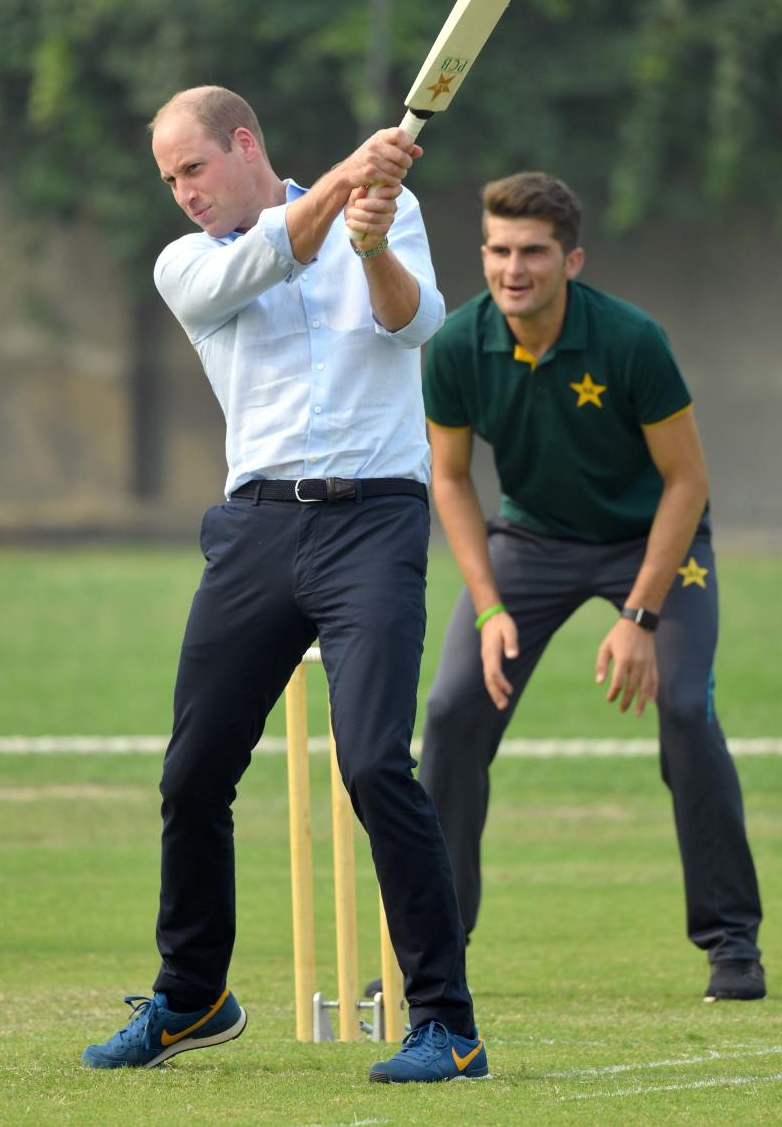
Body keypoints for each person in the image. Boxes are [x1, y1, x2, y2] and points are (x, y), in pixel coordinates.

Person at [81, 86, 488, 1083]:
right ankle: (194, 997)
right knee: (193, 770)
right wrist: (351, 182)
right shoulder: (190, 263)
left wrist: (373, 242)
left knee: (374, 766)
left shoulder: (387, 213)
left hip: (374, 522)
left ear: (243, 142)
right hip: (255, 528)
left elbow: (414, 325)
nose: (182, 193)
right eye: (169, 178)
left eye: (192, 168)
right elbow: (271, 255)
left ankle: (447, 1023)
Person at [418, 171, 764, 1003]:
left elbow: (687, 481)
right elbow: (452, 480)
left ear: (571, 259)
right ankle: (432, 948)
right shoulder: (457, 344)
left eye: (533, 251)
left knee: (685, 707)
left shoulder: (631, 339)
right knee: (453, 711)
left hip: (655, 543)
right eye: (499, 250)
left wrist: (642, 614)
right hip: (530, 542)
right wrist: (491, 605)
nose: (513, 268)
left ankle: (732, 942)